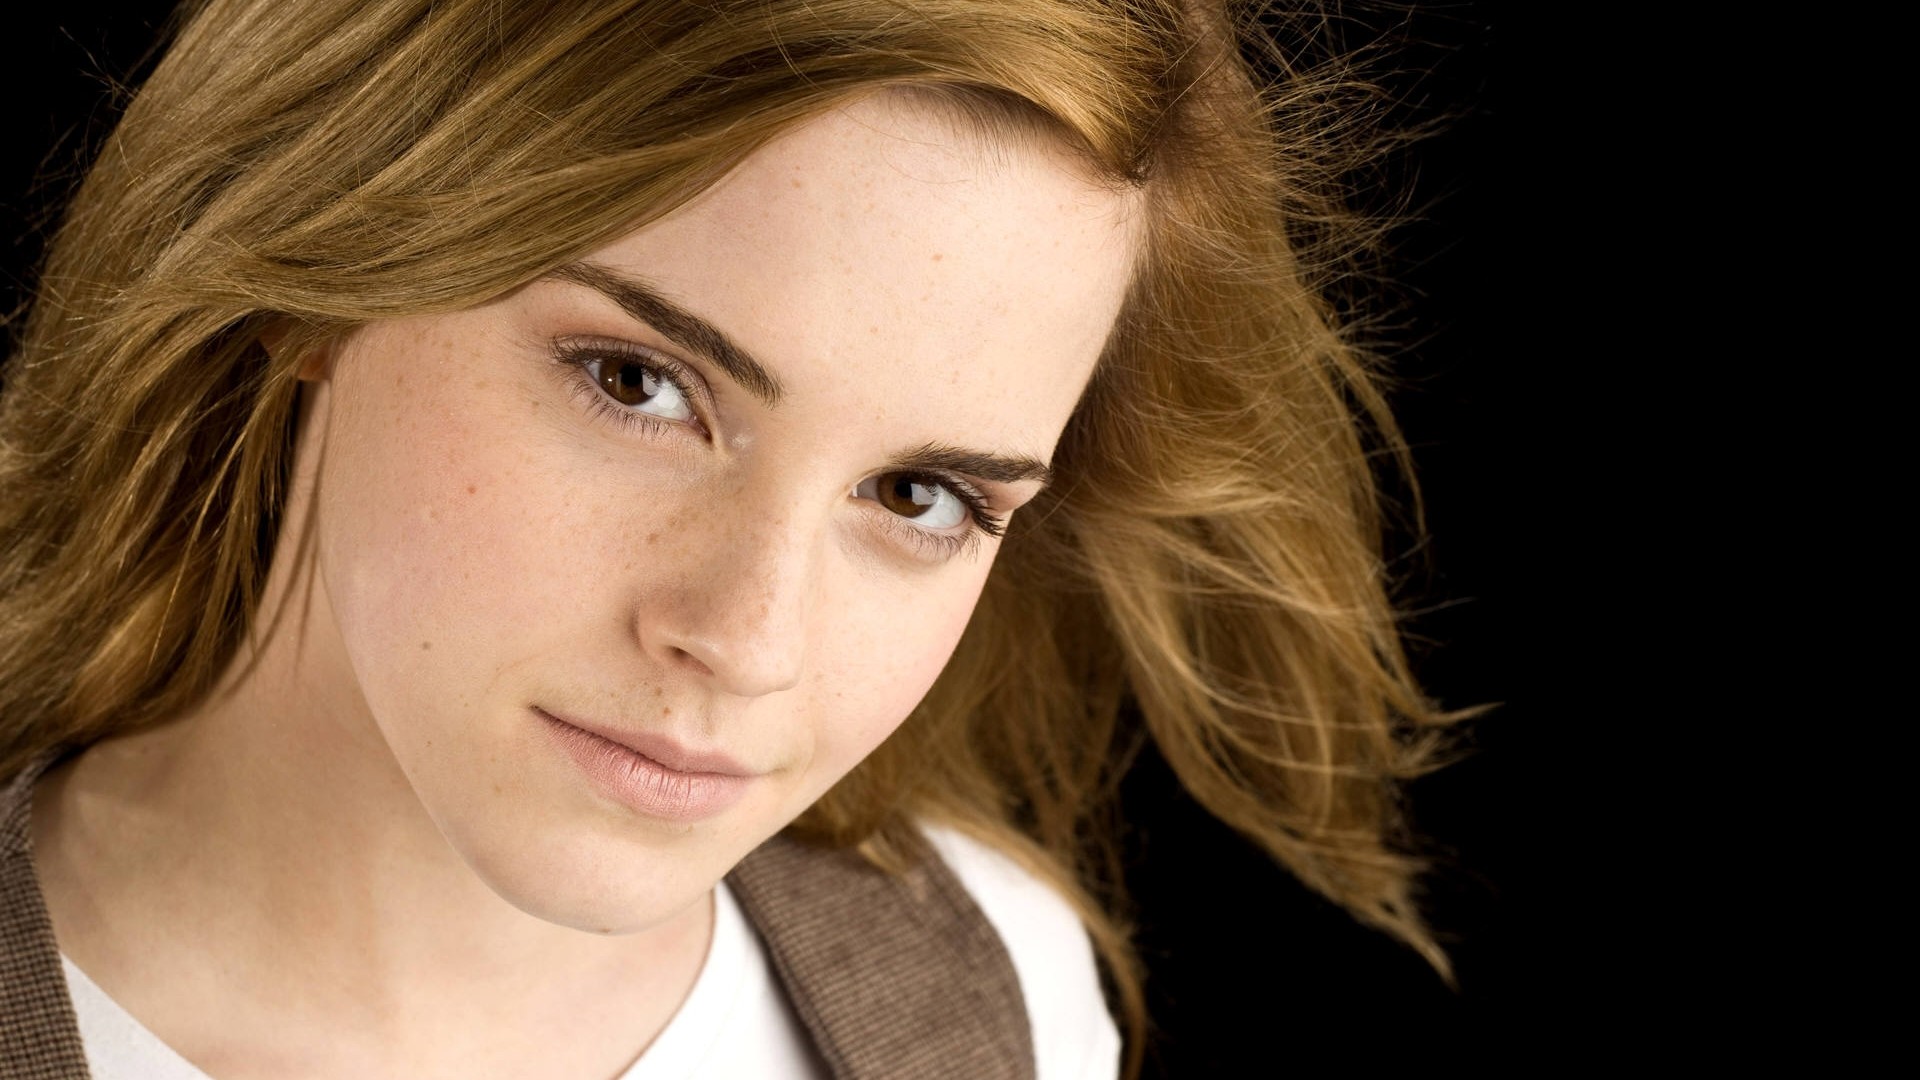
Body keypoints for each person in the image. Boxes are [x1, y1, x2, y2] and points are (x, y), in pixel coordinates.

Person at [0, 1, 1460, 1076]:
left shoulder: (1000, 993)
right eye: (638, 384)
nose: (748, 641)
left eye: (920, 496)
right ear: (317, 271)